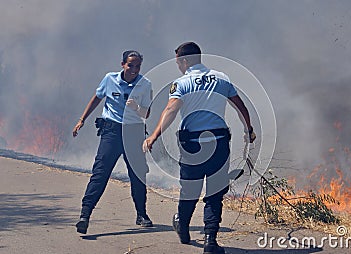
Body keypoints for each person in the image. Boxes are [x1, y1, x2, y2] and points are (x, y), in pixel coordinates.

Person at [143, 42, 256, 254]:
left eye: (177, 62)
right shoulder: (221, 78)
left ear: (185, 61)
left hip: (192, 145)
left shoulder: (181, 83)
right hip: (219, 143)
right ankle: (210, 241)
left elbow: (171, 109)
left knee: (190, 191)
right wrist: (248, 129)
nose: (177, 66)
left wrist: (154, 135)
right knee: (214, 193)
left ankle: (183, 226)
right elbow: (241, 107)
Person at [72, 50, 153, 234]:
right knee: (100, 173)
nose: (134, 69)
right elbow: (97, 98)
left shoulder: (145, 84)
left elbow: (146, 113)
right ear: (122, 64)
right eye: (130, 65)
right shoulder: (110, 79)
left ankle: (142, 214)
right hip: (112, 131)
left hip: (133, 132)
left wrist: (137, 107)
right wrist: (82, 119)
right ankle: (85, 215)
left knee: (138, 175)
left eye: (137, 66)